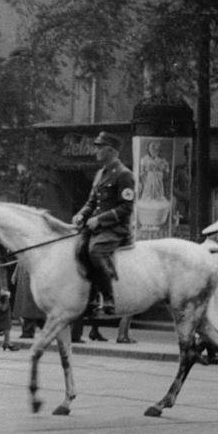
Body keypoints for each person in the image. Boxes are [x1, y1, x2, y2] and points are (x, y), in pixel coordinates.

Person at [71, 131, 135, 317]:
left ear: (110, 150)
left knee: (96, 251)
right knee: (80, 249)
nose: (96, 151)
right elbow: (92, 202)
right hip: (97, 228)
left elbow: (126, 208)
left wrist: (99, 219)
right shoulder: (100, 174)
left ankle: (108, 298)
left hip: (116, 229)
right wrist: (81, 214)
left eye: (99, 147)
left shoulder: (124, 175)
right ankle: (90, 298)